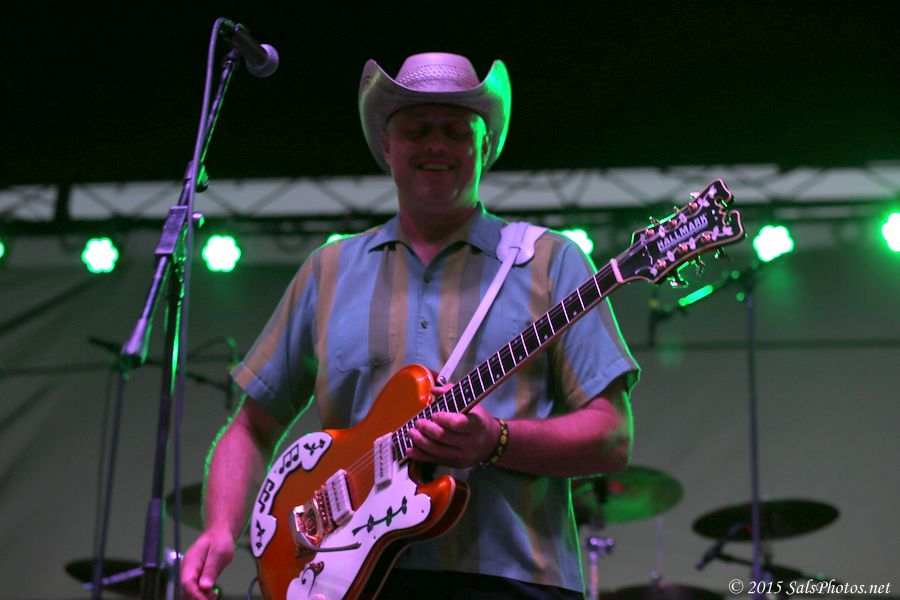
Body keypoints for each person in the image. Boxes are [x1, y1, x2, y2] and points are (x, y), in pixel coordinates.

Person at [181, 52, 639, 600]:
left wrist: (495, 441)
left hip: (512, 581)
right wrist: (219, 529)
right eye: (417, 130)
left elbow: (612, 437)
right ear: (387, 146)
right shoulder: (329, 270)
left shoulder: (551, 262)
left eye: (455, 131)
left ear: (485, 146)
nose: (435, 145)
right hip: (343, 585)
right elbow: (250, 427)